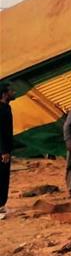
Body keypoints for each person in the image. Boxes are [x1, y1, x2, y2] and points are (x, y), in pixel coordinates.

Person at [0, 84, 14, 219]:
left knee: (4, 178)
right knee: (1, 178)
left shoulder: (6, 107)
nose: (13, 92)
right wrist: (3, 151)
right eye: (11, 91)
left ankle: (2, 205)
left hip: (6, 149)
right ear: (4, 94)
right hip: (2, 151)